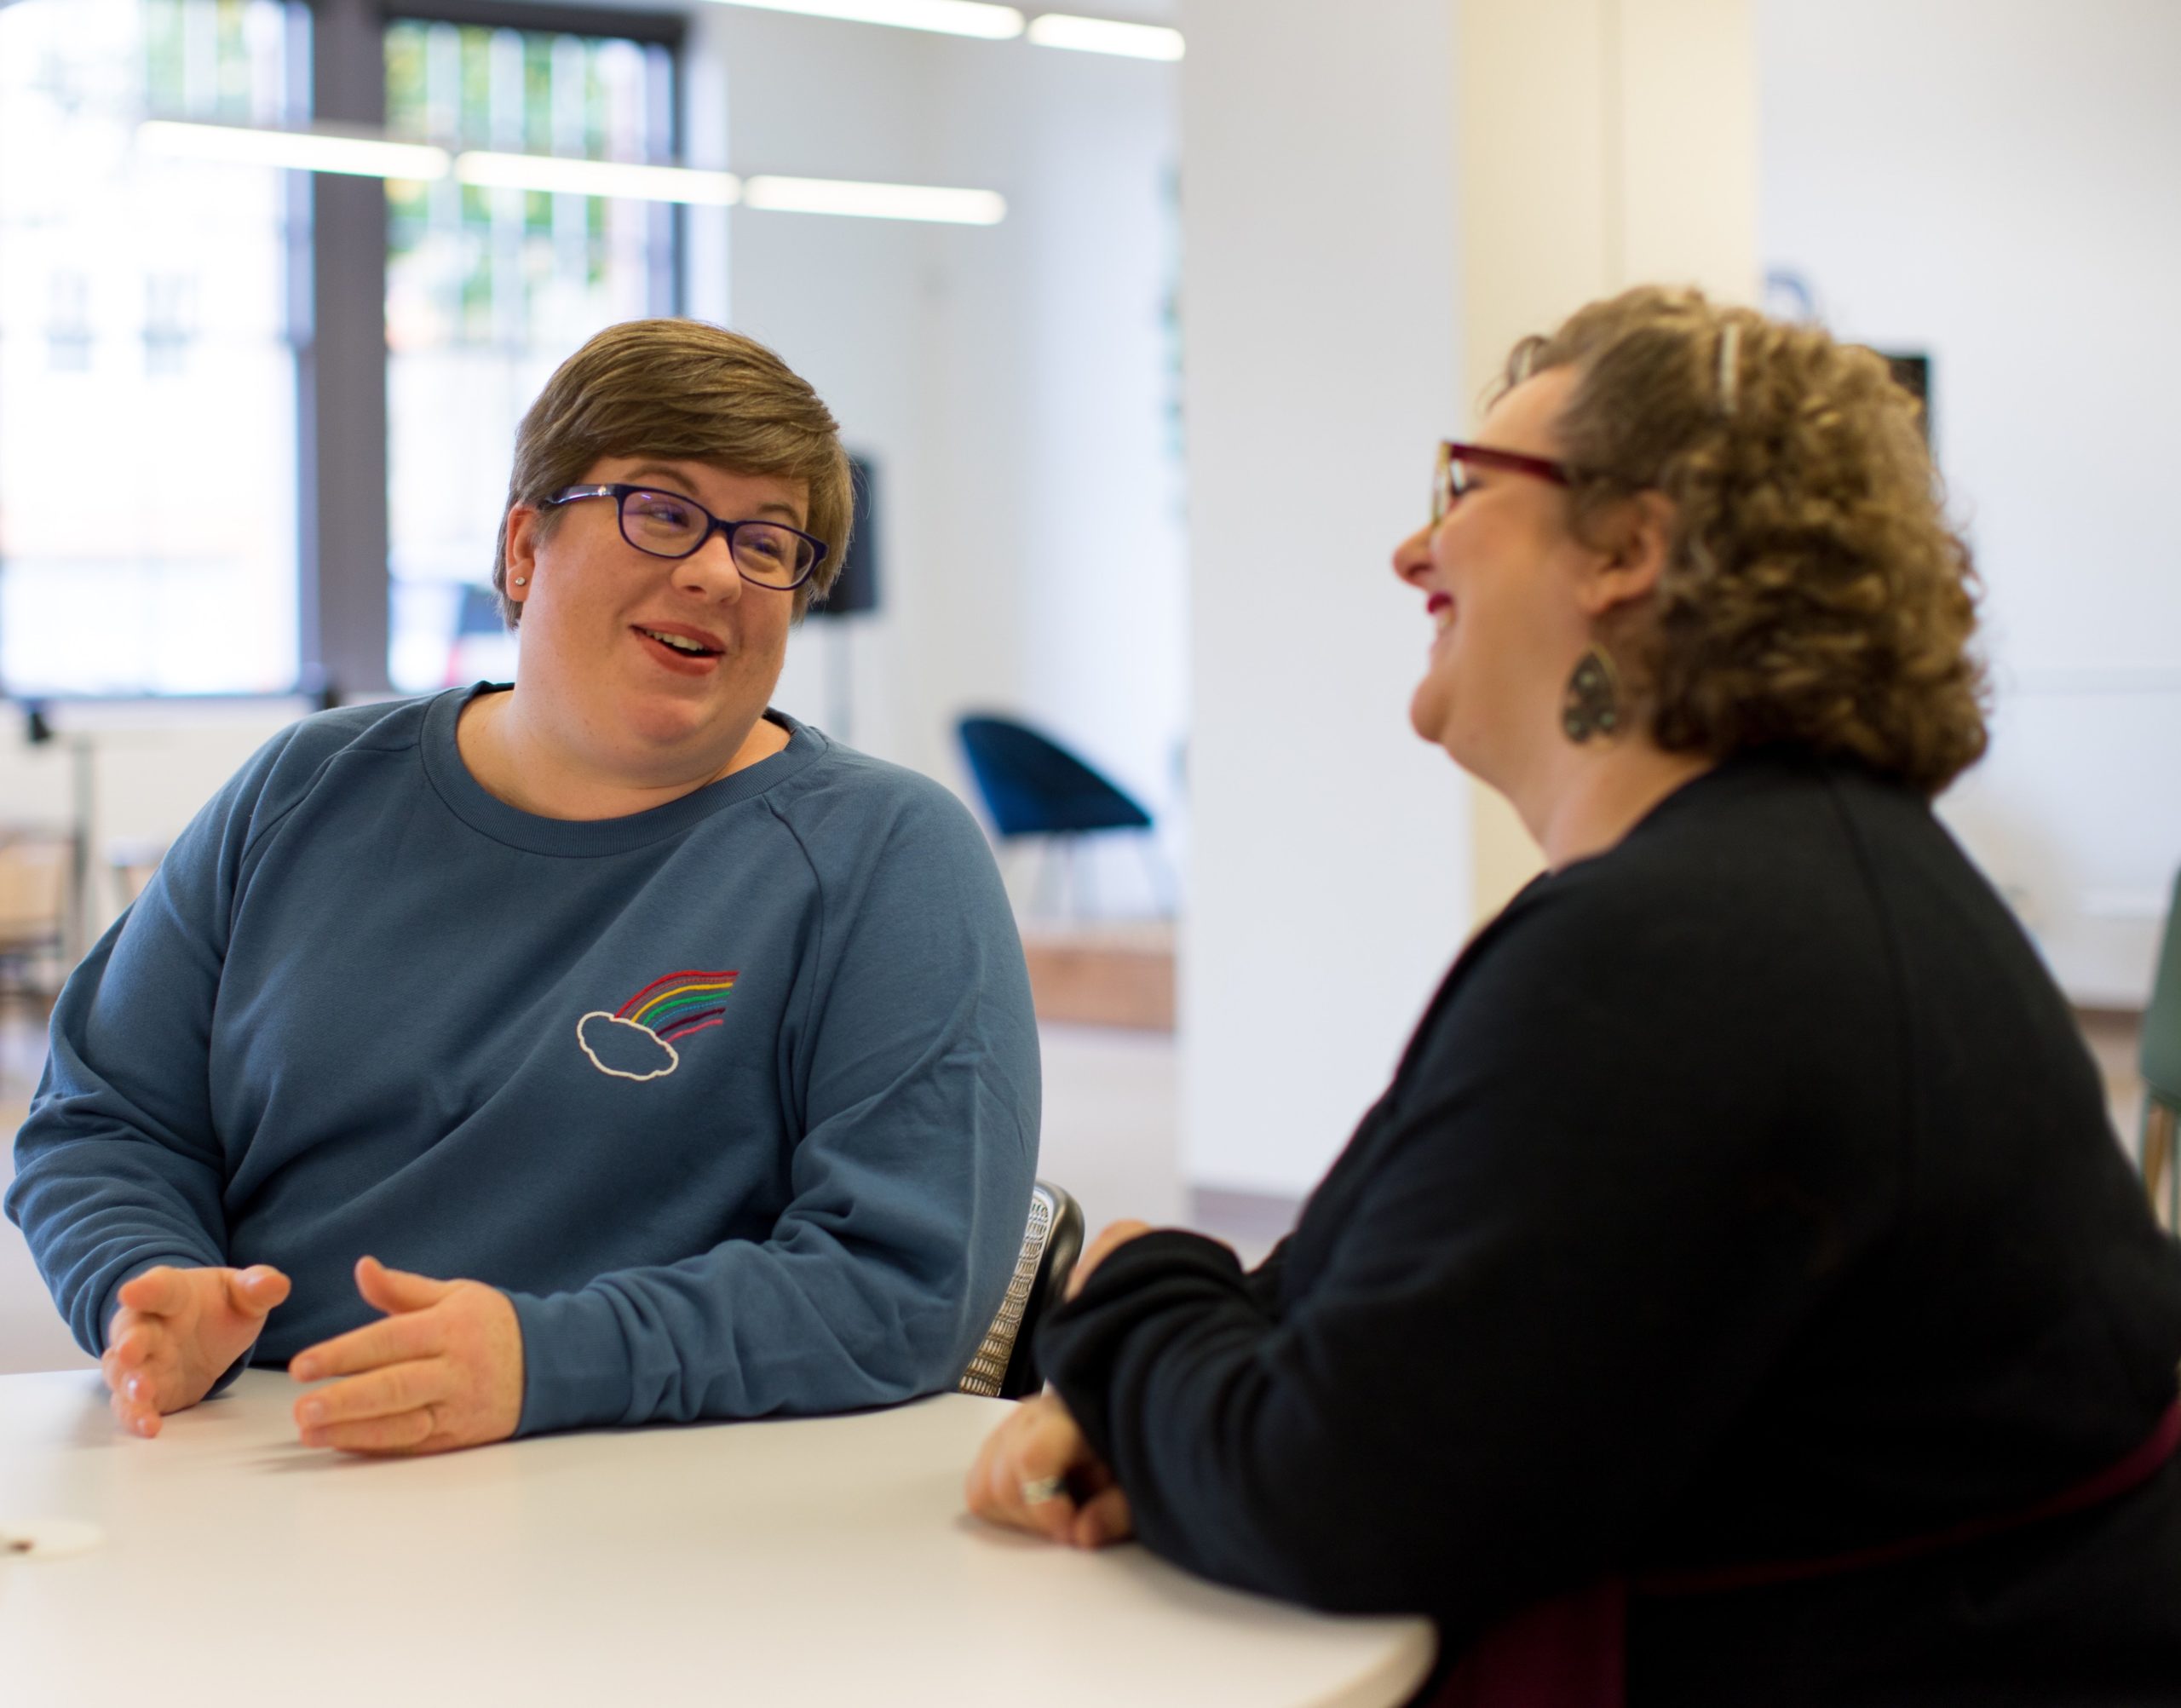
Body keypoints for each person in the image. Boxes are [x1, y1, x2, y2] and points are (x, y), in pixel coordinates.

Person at [965, 287, 2181, 1704]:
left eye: (1464, 489)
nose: (1413, 546)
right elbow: (1356, 1318)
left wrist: (1122, 1291)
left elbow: (1331, 1499)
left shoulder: (1687, 947)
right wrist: (1164, 1385)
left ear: (1629, 547)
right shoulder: (1794, 872)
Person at [9, 319, 1039, 1455]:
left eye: (766, 543)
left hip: (648, 1508)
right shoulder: (308, 789)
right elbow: (107, 1116)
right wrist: (146, 1280)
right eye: (662, 510)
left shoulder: (886, 858)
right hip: (259, 1465)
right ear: (521, 547)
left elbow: (908, 1283)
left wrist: (548, 1360)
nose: (712, 570)